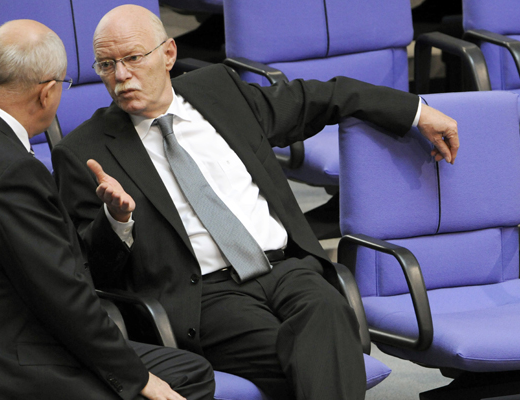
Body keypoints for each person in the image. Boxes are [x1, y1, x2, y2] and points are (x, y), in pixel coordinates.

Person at [53, 5, 459, 399]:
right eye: (106, 65)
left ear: (169, 54)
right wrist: (117, 220)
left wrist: (414, 111)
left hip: (284, 266)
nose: (121, 75)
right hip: (206, 296)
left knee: (327, 310)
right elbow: (96, 272)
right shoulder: (85, 151)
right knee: (320, 355)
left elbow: (316, 98)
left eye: (133, 58)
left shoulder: (219, 90)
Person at [0, 20, 214, 400]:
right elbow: (64, 297)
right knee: (186, 378)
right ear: (48, 93)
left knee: (187, 368)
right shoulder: (15, 170)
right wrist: (135, 377)